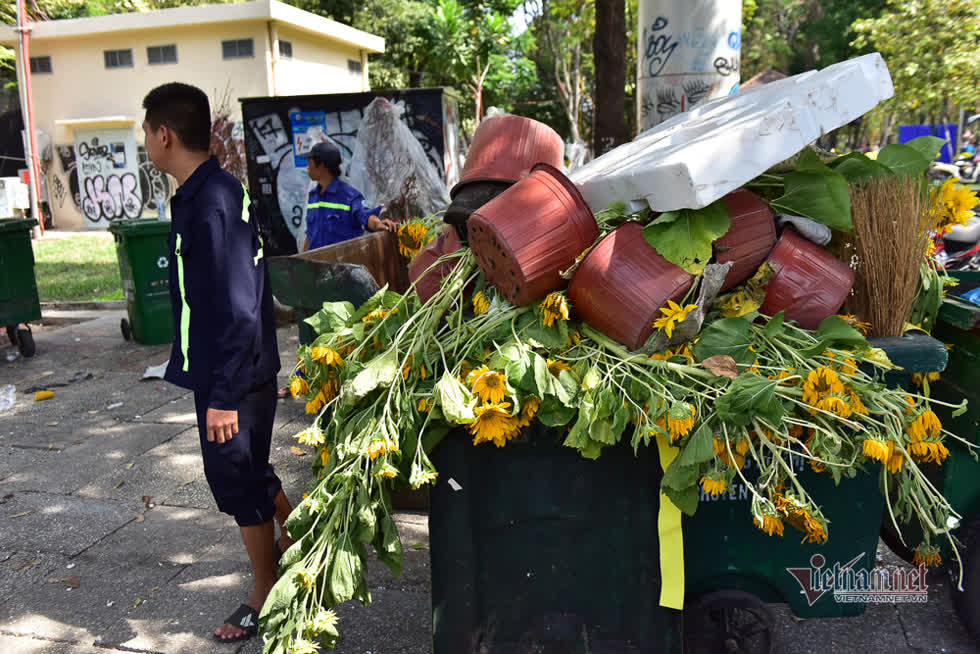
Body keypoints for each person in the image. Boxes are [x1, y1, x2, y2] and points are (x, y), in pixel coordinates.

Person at [141, 82, 294, 643]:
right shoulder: (206, 191)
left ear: (164, 134)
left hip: (233, 372)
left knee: (233, 479)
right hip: (233, 365)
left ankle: (263, 594)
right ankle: (296, 541)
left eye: (147, 134)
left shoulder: (212, 200)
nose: (147, 145)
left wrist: (224, 392)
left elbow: (234, 304)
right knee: (251, 468)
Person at [302, 141, 396, 252]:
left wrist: (379, 224)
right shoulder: (313, 196)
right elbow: (311, 234)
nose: (307, 167)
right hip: (315, 266)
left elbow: (365, 215)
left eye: (310, 163)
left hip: (341, 266)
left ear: (321, 165)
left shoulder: (348, 196)